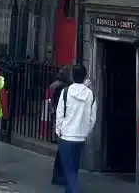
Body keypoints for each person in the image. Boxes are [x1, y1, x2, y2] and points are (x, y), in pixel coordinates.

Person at [55, 64, 96, 193]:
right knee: (74, 168)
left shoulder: (66, 92)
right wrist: (86, 131)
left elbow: (60, 113)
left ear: (72, 76)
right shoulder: (90, 94)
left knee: (69, 170)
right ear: (84, 77)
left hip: (66, 135)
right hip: (80, 136)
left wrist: (59, 130)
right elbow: (92, 118)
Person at [48, 66, 71, 185]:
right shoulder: (63, 88)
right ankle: (59, 176)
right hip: (63, 120)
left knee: (61, 149)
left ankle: (58, 176)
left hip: (58, 118)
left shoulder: (55, 85)